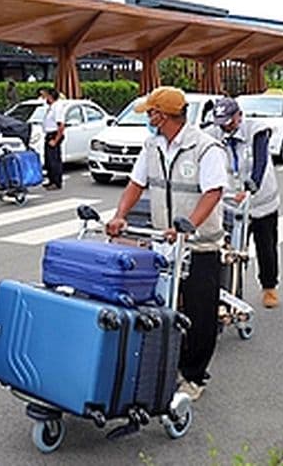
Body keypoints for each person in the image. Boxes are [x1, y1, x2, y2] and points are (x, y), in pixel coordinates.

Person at [106, 86, 228, 402]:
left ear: (162, 115)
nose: (148, 118)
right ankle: (166, 365)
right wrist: (120, 215)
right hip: (164, 244)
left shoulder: (205, 148)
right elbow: (136, 184)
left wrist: (188, 227)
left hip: (199, 245)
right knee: (163, 308)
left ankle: (194, 376)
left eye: (150, 112)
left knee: (200, 314)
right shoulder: (152, 146)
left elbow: (213, 192)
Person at [208, 97, 282, 309]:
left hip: (261, 201)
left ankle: (269, 287)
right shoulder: (213, 134)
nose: (226, 126)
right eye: (222, 122)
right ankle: (232, 291)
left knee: (265, 246)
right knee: (230, 251)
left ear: (239, 115)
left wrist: (252, 187)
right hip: (231, 203)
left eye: (230, 121)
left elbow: (260, 162)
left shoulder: (256, 131)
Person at [41, 88, 66, 189]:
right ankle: (51, 180)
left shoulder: (57, 107)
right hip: (48, 135)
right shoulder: (51, 107)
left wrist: (56, 140)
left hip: (54, 135)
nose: (45, 98)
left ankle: (56, 182)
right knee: (49, 160)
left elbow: (61, 126)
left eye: (46, 96)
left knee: (54, 160)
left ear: (51, 97)